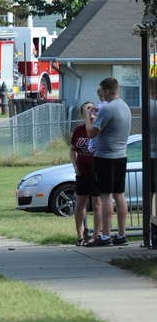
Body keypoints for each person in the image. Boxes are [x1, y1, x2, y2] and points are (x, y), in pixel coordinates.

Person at [85, 77, 132, 246]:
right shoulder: (124, 107)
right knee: (119, 194)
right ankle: (121, 234)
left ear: (106, 91)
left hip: (105, 157)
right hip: (121, 155)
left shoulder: (108, 109)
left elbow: (91, 133)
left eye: (101, 91)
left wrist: (86, 117)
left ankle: (105, 236)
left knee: (106, 196)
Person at [71, 101, 101, 246]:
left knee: (97, 204)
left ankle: (97, 234)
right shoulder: (78, 130)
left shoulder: (99, 127)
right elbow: (72, 149)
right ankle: (80, 233)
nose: (90, 111)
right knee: (80, 205)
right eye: (86, 109)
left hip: (96, 171)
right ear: (82, 113)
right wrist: (74, 164)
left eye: (92, 107)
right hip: (82, 173)